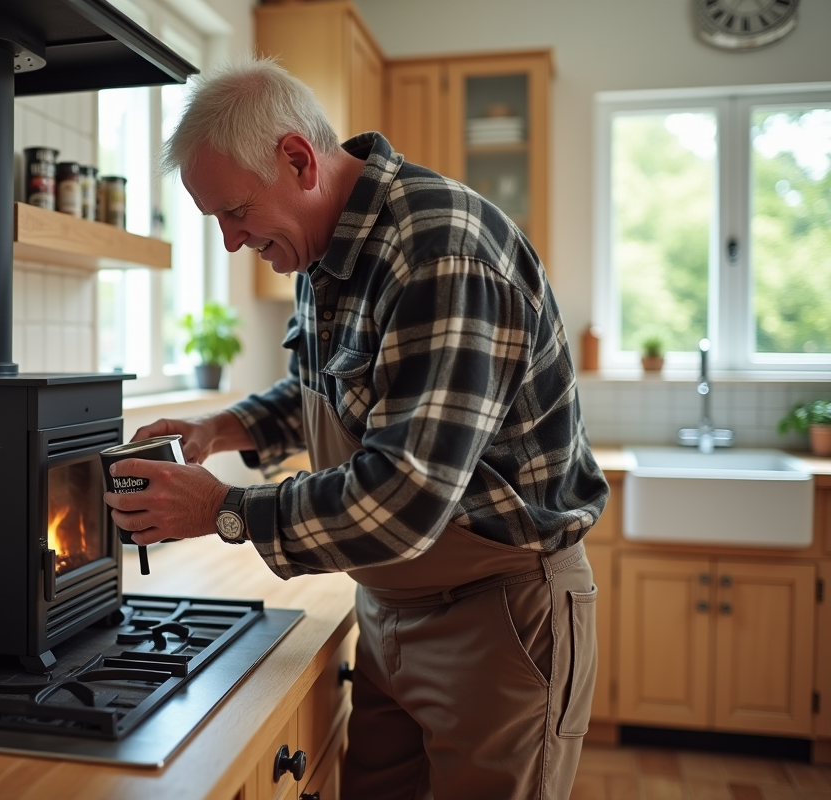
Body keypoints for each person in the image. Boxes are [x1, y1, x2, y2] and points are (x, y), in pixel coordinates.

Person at [103, 57, 609, 800]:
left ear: (299, 160)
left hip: (497, 619)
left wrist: (223, 509)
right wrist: (220, 429)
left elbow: (403, 497)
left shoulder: (440, 252)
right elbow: (329, 386)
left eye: (235, 213)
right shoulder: (326, 250)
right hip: (387, 609)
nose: (231, 243)